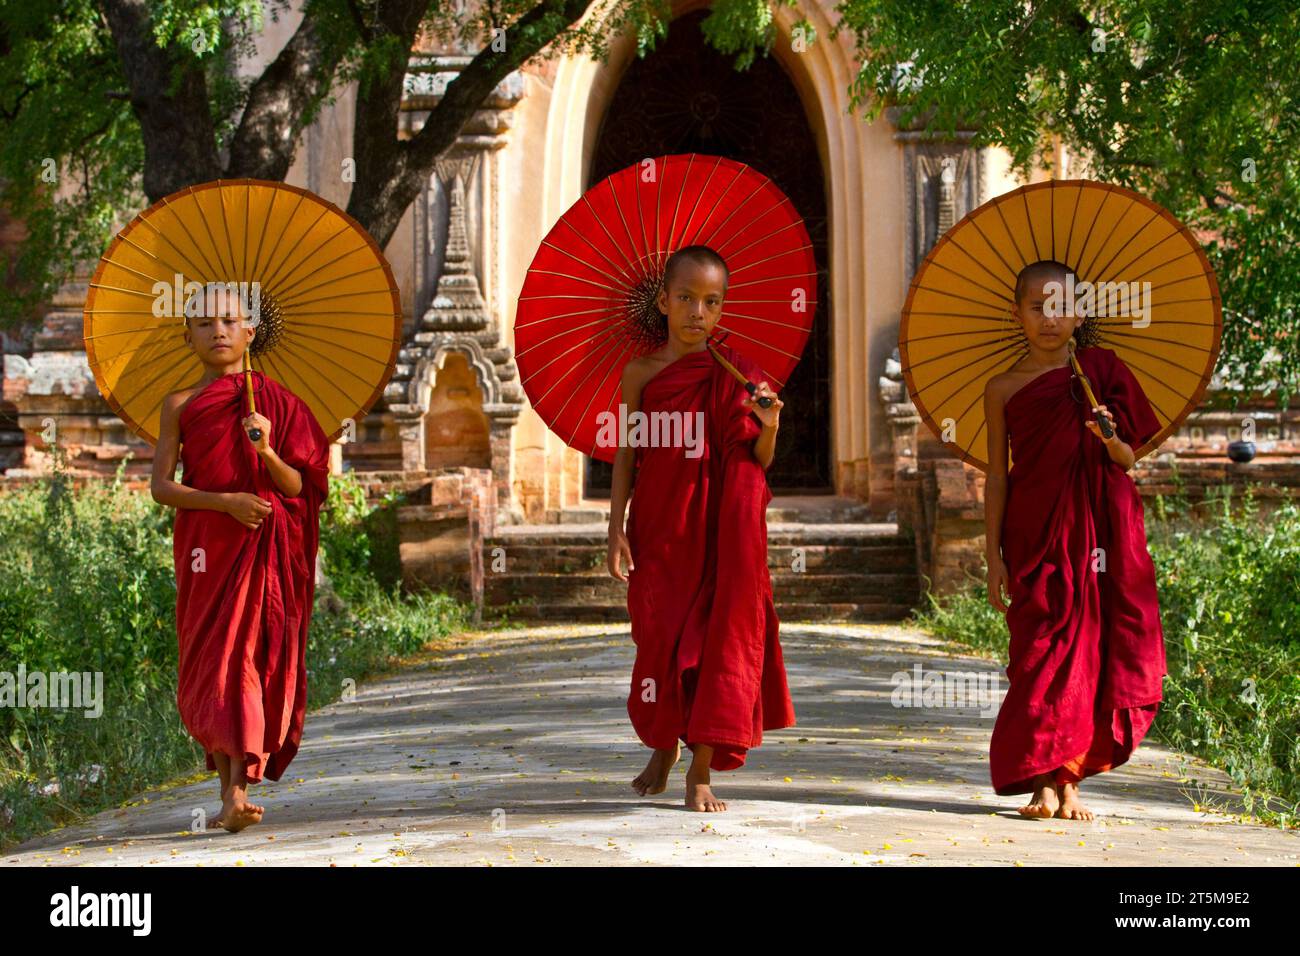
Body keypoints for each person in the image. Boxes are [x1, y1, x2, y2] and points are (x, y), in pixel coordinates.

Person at [606, 245, 796, 813]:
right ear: (663, 301)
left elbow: (758, 461)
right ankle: (664, 746)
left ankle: (701, 767)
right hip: (661, 527)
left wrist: (770, 423)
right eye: (686, 298)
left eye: (711, 302)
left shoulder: (738, 373)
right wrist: (615, 526)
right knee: (658, 636)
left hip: (722, 531)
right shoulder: (639, 373)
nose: (698, 312)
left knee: (721, 637)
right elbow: (625, 454)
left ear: (722, 308)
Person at [983, 259, 1166, 820]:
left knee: (1094, 646)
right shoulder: (1004, 387)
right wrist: (991, 552)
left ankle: (1070, 779)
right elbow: (997, 474)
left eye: (1061, 306)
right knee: (1041, 649)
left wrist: (1109, 435)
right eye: (1038, 306)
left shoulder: (1101, 372)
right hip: (1035, 533)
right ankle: (1042, 776)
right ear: (1018, 313)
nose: (1049, 318)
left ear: (1080, 312)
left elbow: (1129, 458)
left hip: (1101, 529)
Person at [150, 282, 330, 832]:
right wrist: (223, 501)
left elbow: (300, 486)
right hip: (208, 544)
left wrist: (266, 449)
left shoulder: (277, 404)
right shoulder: (179, 405)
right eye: (204, 324)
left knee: (248, 657)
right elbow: (162, 487)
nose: (218, 331)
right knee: (215, 659)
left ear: (250, 332)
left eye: (229, 321)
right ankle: (230, 789)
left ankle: (236, 791)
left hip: (264, 547)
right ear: (189, 337)